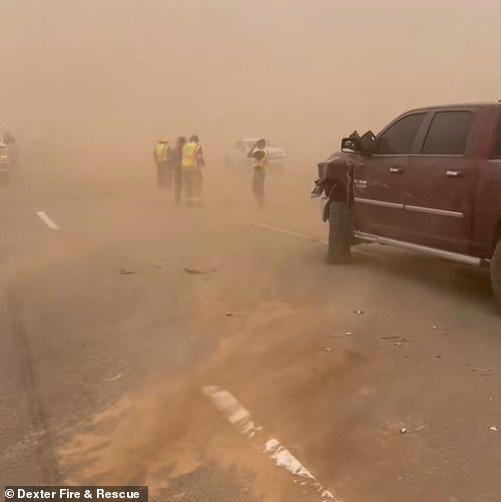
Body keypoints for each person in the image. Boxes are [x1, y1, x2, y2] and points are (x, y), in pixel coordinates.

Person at [181, 135, 205, 206]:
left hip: (184, 167)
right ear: (196, 140)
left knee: (188, 184)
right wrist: (203, 163)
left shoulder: (185, 146)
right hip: (194, 167)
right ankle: (196, 202)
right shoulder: (197, 146)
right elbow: (199, 157)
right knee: (196, 184)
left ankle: (188, 201)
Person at [247, 138, 268, 207]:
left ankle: (261, 201)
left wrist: (253, 147)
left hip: (260, 171)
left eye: (258, 144)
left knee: (257, 188)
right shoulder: (263, 151)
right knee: (258, 188)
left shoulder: (262, 152)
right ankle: (262, 201)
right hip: (259, 171)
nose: (257, 145)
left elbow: (249, 155)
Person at [172, 136, 187, 206]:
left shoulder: (175, 148)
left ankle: (177, 200)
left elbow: (172, 158)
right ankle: (178, 200)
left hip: (178, 167)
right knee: (180, 184)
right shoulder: (184, 148)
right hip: (181, 168)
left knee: (178, 184)